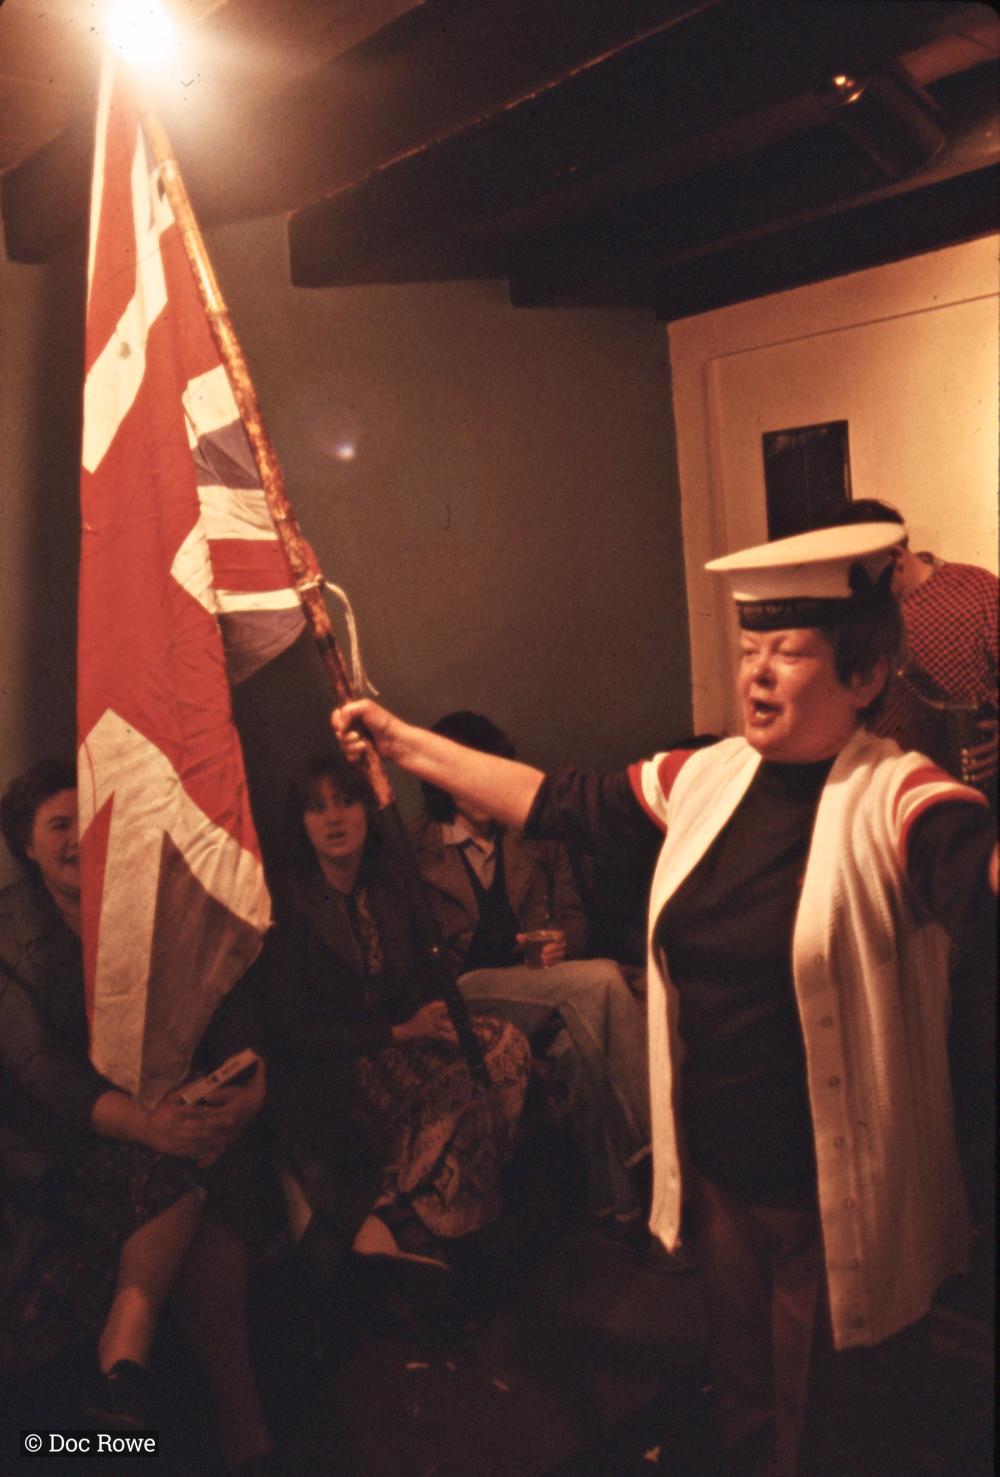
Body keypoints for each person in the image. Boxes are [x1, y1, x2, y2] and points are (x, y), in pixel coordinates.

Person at [332, 524, 997, 1477]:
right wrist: (402, 743)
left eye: (791, 652)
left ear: (862, 675)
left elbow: (974, 867)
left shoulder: (898, 795)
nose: (758, 674)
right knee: (745, 1409)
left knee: (829, 1434)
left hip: (831, 1200)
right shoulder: (708, 777)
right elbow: (548, 796)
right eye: (749, 648)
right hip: (724, 1182)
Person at [0, 760, 275, 1474]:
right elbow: (37, 1069)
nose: (76, 838)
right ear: (25, 843)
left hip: (180, 1120)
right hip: (68, 1138)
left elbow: (225, 991)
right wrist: (150, 1123)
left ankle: (122, 1379)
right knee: (185, 1180)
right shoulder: (5, 933)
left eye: (85, 822)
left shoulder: (141, 897)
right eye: (58, 824)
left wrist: (249, 1084)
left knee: (198, 1177)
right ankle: (230, 1419)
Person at [255, 754, 530, 1281]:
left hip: (402, 1039)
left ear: (366, 811)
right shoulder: (287, 899)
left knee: (506, 1047)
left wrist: (433, 1014)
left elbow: (414, 979)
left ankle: (440, 1213)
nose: (334, 819)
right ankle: (441, 1226)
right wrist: (397, 1032)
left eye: (345, 801)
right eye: (317, 808)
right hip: (339, 1062)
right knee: (463, 1088)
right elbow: (292, 1028)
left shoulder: (387, 884)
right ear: (301, 822)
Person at [410, 710, 651, 1234]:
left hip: (543, 989)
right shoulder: (416, 852)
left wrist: (565, 943)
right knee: (606, 979)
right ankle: (655, 1152)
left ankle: (625, 1211)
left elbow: (573, 919)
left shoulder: (536, 837)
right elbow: (417, 960)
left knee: (581, 1050)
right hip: (467, 995)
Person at [832, 498, 998, 797]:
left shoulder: (978, 589)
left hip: (977, 784)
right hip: (889, 789)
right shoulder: (857, 614)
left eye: (863, 572)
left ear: (895, 555)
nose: (856, 586)